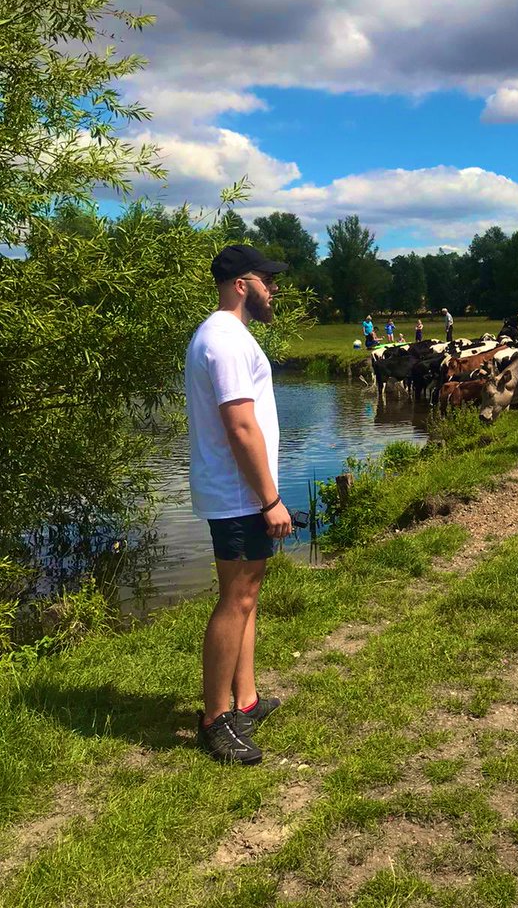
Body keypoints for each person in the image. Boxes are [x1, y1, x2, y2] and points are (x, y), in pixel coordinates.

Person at [186, 244, 294, 765]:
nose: (273, 290)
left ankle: (245, 701)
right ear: (241, 284)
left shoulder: (226, 335)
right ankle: (215, 719)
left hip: (239, 491)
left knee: (247, 596)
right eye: (267, 280)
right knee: (236, 599)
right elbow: (240, 425)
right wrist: (269, 498)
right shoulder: (225, 340)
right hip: (238, 494)